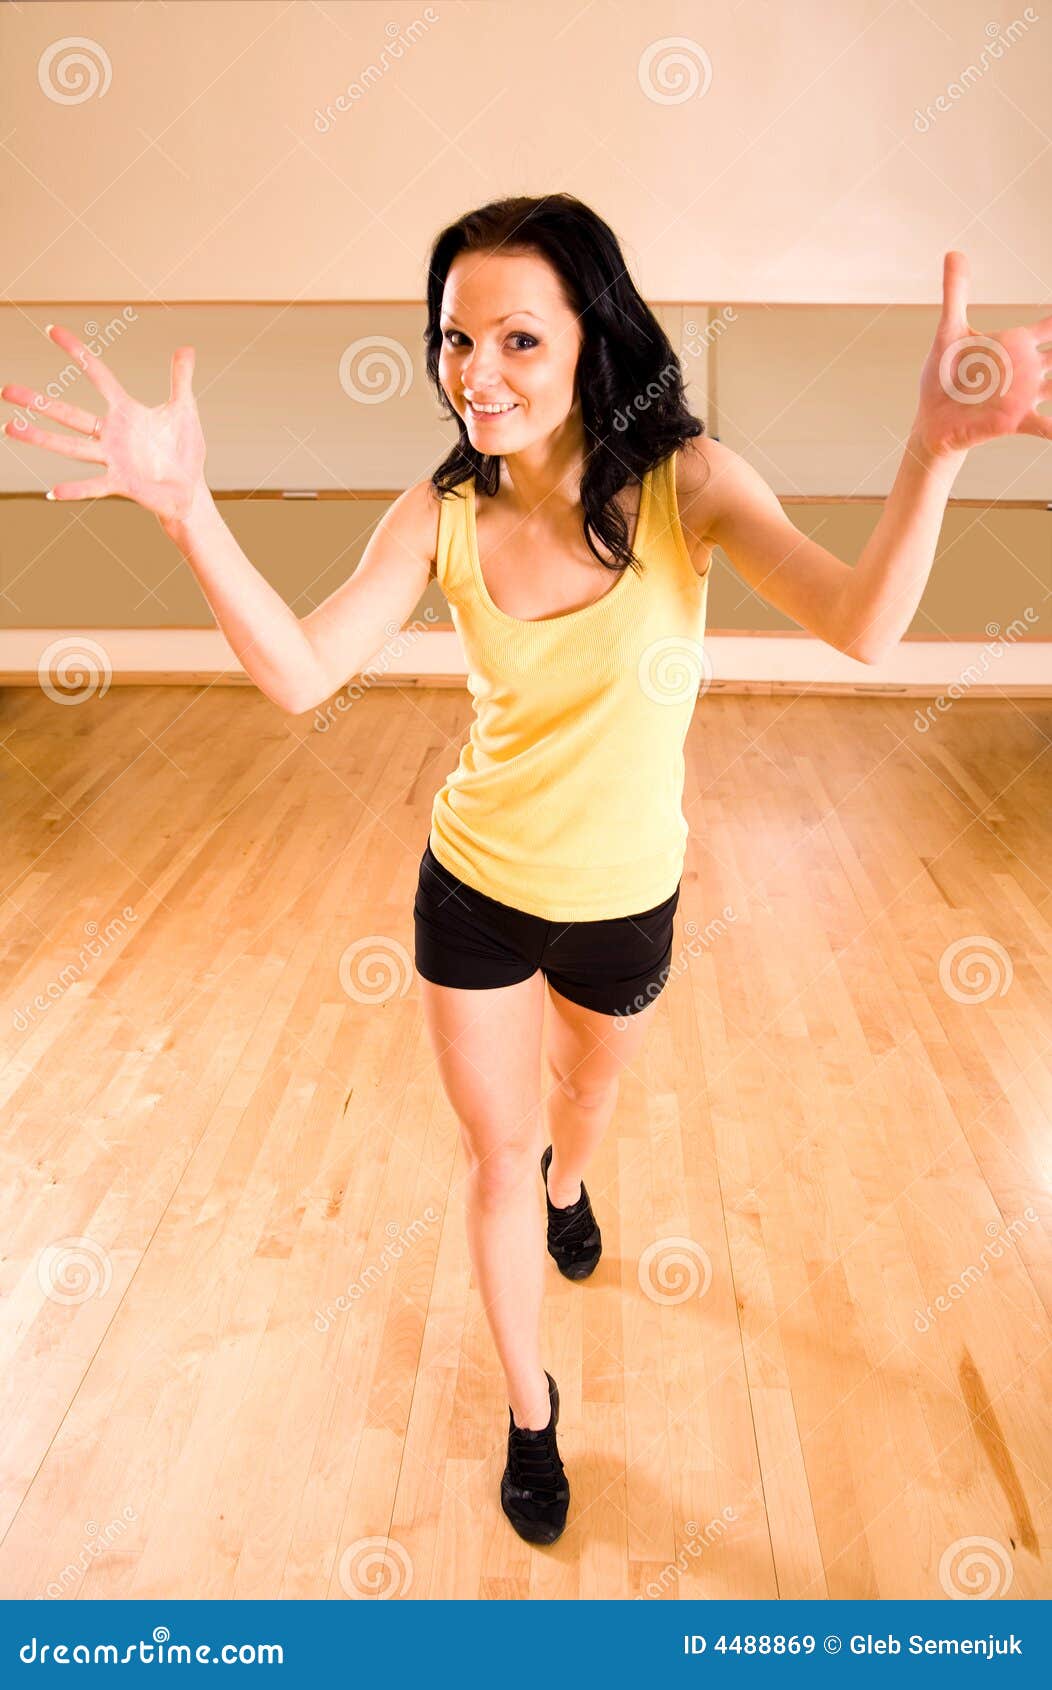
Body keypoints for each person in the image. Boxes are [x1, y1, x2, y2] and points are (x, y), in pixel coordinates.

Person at [5, 197, 1049, 1550]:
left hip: (628, 899)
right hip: (477, 888)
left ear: (591, 342)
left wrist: (930, 453)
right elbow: (302, 671)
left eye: (515, 338)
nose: (476, 374)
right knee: (497, 1154)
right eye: (454, 340)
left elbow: (861, 627)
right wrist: (192, 509)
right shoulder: (439, 513)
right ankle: (530, 1404)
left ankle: (575, 1184)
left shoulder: (692, 488)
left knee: (581, 1105)